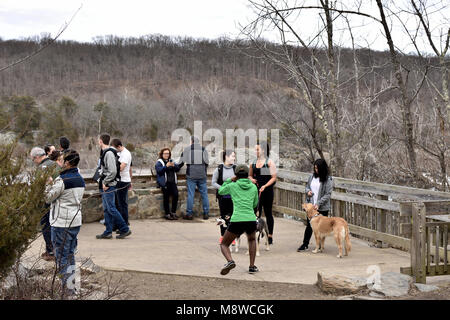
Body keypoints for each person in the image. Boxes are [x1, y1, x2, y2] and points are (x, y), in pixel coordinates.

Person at [45, 150, 85, 295]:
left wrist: (48, 184)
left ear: (67, 163)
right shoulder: (80, 178)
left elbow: (48, 197)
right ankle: (72, 286)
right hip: (75, 220)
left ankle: (67, 291)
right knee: (70, 255)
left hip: (61, 221)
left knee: (61, 256)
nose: (60, 163)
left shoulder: (62, 180)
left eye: (62, 160)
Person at [218, 164, 259, 275]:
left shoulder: (233, 186)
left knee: (224, 244)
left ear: (236, 175)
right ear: (247, 175)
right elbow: (255, 203)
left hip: (237, 219)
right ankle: (251, 266)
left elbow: (221, 191)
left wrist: (229, 180)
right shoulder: (254, 187)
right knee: (251, 240)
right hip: (250, 218)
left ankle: (230, 261)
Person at [96, 133, 131, 239]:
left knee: (111, 208)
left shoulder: (109, 153)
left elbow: (112, 171)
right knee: (107, 208)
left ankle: (124, 228)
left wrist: (105, 182)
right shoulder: (106, 152)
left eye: (98, 140)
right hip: (105, 184)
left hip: (109, 185)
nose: (98, 142)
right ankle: (108, 231)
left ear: (101, 141)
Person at [297, 158, 334, 252]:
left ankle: (321, 246)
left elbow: (328, 194)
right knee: (309, 226)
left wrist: (318, 203)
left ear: (322, 168)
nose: (316, 170)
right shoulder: (311, 177)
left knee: (322, 228)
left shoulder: (328, 179)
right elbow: (307, 187)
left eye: (317, 168)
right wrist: (308, 191)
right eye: (315, 168)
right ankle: (305, 244)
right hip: (311, 207)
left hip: (322, 207)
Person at [249, 141, 277, 245]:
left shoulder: (269, 163)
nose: (255, 151)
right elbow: (250, 175)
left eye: (257, 149)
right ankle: (256, 234)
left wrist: (265, 186)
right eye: (255, 149)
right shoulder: (253, 163)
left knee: (268, 213)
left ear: (263, 150)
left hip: (267, 191)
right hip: (256, 191)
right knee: (256, 213)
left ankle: (270, 236)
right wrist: (251, 179)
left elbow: (273, 178)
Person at [30, 147, 55, 261]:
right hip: (56, 199)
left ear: (38, 157)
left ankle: (50, 250)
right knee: (54, 225)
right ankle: (55, 249)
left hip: (45, 200)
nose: (34, 162)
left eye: (33, 159)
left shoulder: (41, 168)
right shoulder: (55, 164)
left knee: (45, 225)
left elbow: (37, 186)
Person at [179, 136, 210, 220]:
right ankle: (206, 213)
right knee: (204, 194)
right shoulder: (203, 149)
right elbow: (207, 162)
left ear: (191, 141)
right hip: (202, 174)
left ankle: (189, 214)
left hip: (191, 174)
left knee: (191, 194)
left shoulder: (187, 149)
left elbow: (181, 163)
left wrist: (175, 167)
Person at [211, 150, 236, 243]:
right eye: (232, 156)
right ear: (226, 157)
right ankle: (223, 235)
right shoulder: (219, 169)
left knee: (233, 216)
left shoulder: (236, 169)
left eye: (234, 156)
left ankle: (231, 237)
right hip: (222, 197)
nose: (234, 158)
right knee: (223, 216)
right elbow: (213, 182)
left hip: (234, 197)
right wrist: (223, 188)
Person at [155, 147, 184, 220]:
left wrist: (174, 165)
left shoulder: (172, 161)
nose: (167, 155)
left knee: (176, 196)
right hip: (165, 183)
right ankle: (167, 214)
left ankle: (173, 213)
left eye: (168, 153)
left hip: (173, 182)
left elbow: (177, 169)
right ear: (162, 154)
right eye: (165, 153)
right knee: (166, 198)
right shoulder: (159, 162)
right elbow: (159, 171)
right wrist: (166, 166)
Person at [111, 138, 132, 226]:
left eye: (115, 149)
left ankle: (124, 223)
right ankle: (121, 223)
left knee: (122, 204)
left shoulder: (126, 154)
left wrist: (111, 170)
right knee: (119, 203)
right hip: (120, 180)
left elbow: (122, 167)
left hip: (123, 181)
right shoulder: (120, 153)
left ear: (119, 146)